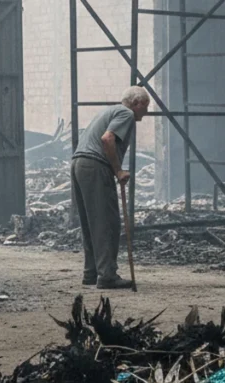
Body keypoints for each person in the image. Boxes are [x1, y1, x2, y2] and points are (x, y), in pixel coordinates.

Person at [71, 86, 150, 290]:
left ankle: (91, 273)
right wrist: (118, 171)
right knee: (107, 222)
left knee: (91, 222)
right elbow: (107, 139)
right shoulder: (126, 113)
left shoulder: (109, 110)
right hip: (95, 165)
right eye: (146, 105)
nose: (146, 111)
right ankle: (107, 275)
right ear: (136, 103)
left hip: (80, 163)